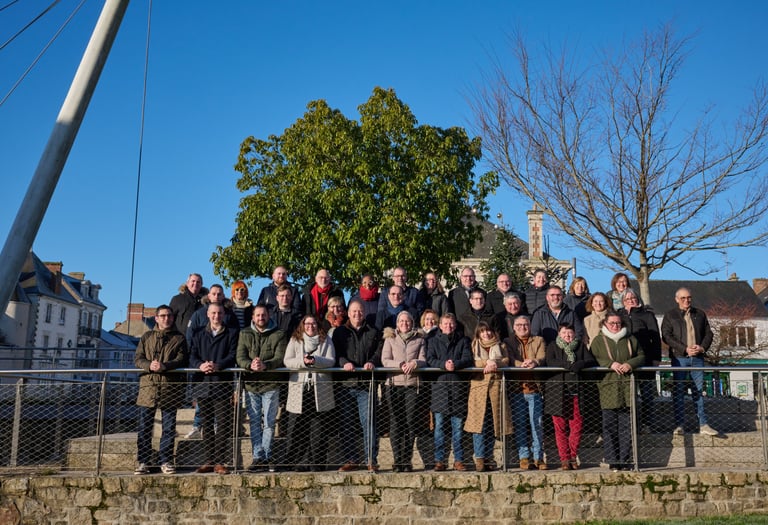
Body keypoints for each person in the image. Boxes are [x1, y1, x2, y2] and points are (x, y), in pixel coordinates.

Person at [134, 305, 188, 475]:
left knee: (168, 427)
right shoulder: (147, 337)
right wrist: (149, 365)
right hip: (148, 387)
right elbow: (138, 358)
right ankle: (143, 461)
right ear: (156, 318)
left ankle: (165, 460)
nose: (167, 319)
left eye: (169, 316)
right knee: (144, 427)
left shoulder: (179, 338)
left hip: (169, 388)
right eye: (163, 316)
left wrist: (165, 366)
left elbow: (182, 359)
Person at [589, 313, 645, 471]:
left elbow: (641, 356)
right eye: (612, 323)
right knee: (609, 426)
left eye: (618, 323)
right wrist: (609, 364)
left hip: (627, 387)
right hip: (608, 387)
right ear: (605, 323)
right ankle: (613, 460)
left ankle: (625, 460)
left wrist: (630, 364)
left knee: (627, 426)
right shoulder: (598, 341)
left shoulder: (630, 339)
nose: (615, 326)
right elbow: (592, 358)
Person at [332, 299, 382, 472]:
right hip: (346, 384)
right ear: (348, 313)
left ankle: (371, 459)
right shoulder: (339, 332)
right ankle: (350, 459)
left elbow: (379, 352)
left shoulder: (373, 331)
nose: (357, 314)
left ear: (364, 312)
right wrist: (344, 362)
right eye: (354, 311)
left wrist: (372, 361)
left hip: (366, 385)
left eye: (360, 311)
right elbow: (336, 353)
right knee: (346, 423)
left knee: (369, 423)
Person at [661, 287, 719, 436]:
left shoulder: (700, 314)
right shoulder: (670, 315)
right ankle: (679, 425)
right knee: (679, 391)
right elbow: (666, 336)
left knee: (698, 392)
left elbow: (708, 333)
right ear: (677, 299)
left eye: (689, 298)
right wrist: (685, 349)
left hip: (697, 358)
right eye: (683, 298)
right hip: (679, 358)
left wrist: (702, 347)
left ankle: (703, 424)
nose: (686, 300)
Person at [189, 303, 239, 475]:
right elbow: (192, 355)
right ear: (208, 314)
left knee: (223, 423)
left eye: (219, 313)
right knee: (207, 424)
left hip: (221, 383)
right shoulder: (198, 333)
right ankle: (209, 460)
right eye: (213, 313)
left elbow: (233, 355)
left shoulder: (232, 333)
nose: (216, 316)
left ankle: (220, 461)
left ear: (224, 314)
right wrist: (200, 365)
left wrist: (218, 365)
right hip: (202, 383)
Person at [236, 304, 287, 472]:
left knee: (269, 422)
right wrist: (250, 365)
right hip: (251, 385)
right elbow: (240, 356)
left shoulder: (279, 334)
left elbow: (280, 357)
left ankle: (267, 455)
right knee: (255, 422)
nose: (261, 318)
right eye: (257, 315)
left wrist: (266, 365)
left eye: (263, 315)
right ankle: (258, 457)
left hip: (271, 384)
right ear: (253, 317)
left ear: (268, 315)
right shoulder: (244, 333)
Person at [283, 315, 336, 471]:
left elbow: (331, 360)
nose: (310, 326)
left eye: (313, 323)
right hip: (300, 390)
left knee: (318, 430)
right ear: (302, 325)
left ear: (317, 325)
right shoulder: (295, 340)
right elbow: (287, 361)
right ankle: (295, 462)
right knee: (298, 429)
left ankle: (317, 463)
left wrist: (315, 361)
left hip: (319, 391)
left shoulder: (326, 340)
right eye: (307, 323)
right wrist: (303, 362)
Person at [544, 323, 596, 470]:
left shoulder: (580, 346)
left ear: (574, 334)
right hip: (557, 393)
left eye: (570, 333)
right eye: (564, 333)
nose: (567, 335)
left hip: (577, 393)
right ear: (559, 334)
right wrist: (567, 365)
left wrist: (580, 364)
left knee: (576, 427)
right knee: (560, 428)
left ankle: (573, 456)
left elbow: (590, 360)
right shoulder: (552, 346)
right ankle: (564, 459)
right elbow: (550, 361)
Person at [381, 311, 427, 472]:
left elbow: (424, 359)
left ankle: (407, 460)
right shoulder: (390, 338)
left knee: (410, 422)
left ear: (412, 323)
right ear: (397, 323)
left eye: (407, 321)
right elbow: (385, 360)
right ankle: (397, 460)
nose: (404, 324)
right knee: (396, 422)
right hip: (394, 385)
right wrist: (400, 364)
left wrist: (415, 363)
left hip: (412, 385)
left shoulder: (420, 339)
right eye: (401, 321)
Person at [426, 313, 473, 471]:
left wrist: (456, 364)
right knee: (439, 428)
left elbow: (468, 358)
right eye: (445, 323)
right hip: (439, 389)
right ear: (440, 325)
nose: (448, 326)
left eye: (451, 323)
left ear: (455, 325)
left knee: (457, 429)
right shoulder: (432, 341)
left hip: (457, 389)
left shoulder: (463, 340)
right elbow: (429, 359)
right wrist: (443, 365)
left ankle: (458, 460)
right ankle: (439, 460)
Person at [464, 322, 512, 472]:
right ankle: (479, 458)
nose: (486, 334)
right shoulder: (473, 345)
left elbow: (506, 360)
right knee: (479, 425)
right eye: (483, 331)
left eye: (488, 331)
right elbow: (473, 362)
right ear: (478, 334)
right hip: (478, 389)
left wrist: (495, 362)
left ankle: (489, 457)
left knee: (493, 424)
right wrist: (487, 362)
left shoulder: (501, 345)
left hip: (496, 389)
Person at [504, 315, 547, 470]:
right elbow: (509, 358)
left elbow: (542, 356)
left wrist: (534, 361)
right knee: (520, 424)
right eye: (519, 325)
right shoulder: (508, 341)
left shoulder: (538, 340)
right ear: (514, 327)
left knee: (537, 424)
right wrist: (520, 364)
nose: (522, 327)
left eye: (526, 324)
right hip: (517, 390)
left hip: (534, 389)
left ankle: (538, 457)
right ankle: (523, 457)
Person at [619, 289, 661, 433]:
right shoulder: (619, 315)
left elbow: (655, 337)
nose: (631, 300)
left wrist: (656, 358)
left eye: (633, 297)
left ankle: (647, 424)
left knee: (647, 394)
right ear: (623, 301)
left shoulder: (647, 315)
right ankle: (630, 425)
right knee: (628, 395)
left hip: (645, 359)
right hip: (626, 361)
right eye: (627, 299)